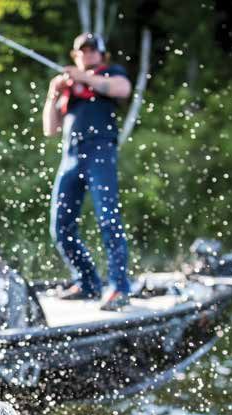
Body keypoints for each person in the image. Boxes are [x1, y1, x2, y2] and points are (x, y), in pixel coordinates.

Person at [42, 33, 132, 311]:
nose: (88, 54)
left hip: (100, 153)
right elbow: (50, 129)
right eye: (83, 50)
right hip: (71, 156)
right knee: (60, 226)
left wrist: (83, 77)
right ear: (75, 55)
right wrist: (53, 93)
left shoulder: (111, 74)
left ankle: (119, 287)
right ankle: (87, 282)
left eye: (93, 50)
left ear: (102, 55)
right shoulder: (68, 88)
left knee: (108, 218)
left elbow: (122, 90)